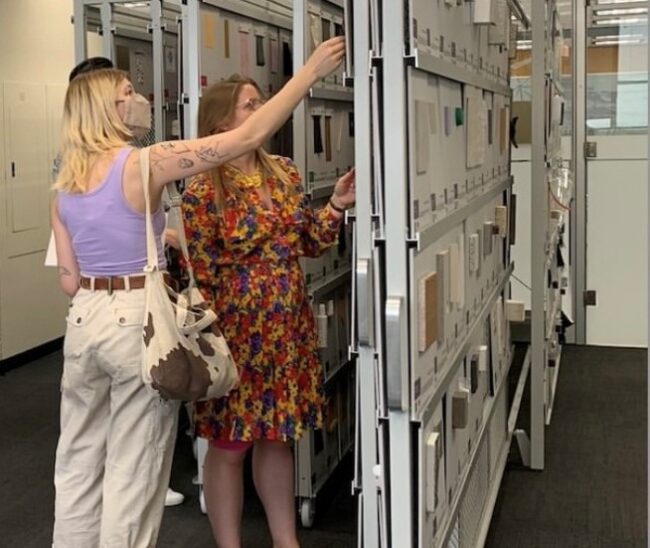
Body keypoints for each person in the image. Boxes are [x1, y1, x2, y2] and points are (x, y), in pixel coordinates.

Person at [50, 36, 345, 548]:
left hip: (85, 321)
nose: (137, 97)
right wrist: (309, 73)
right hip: (136, 321)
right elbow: (243, 137)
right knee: (134, 469)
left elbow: (69, 280)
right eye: (127, 91)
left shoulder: (65, 182)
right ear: (108, 106)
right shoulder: (146, 163)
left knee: (76, 464)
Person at [181, 75, 356, 548]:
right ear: (220, 121)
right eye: (248, 105)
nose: (260, 109)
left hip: (287, 328)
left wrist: (337, 205)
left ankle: (286, 541)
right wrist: (215, 343)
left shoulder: (284, 171)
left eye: (260, 101)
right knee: (230, 443)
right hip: (235, 332)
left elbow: (310, 242)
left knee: (278, 437)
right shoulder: (202, 187)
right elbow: (201, 271)